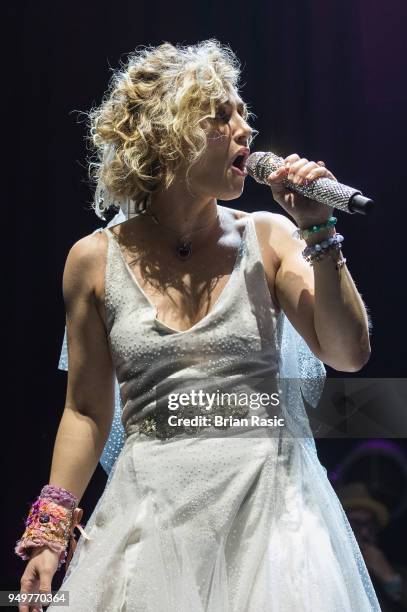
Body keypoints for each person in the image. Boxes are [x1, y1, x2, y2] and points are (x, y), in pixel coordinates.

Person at [16, 39, 380, 611]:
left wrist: (319, 231)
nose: (245, 130)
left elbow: (348, 354)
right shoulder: (92, 260)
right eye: (220, 115)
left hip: (270, 512)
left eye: (243, 113)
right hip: (151, 513)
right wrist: (50, 530)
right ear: (165, 135)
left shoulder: (270, 237)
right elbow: (86, 409)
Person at [337, 482, 407, 611]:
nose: (364, 532)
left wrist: (389, 579)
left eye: (369, 524)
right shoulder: (328, 572)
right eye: (355, 524)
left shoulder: (399, 573)